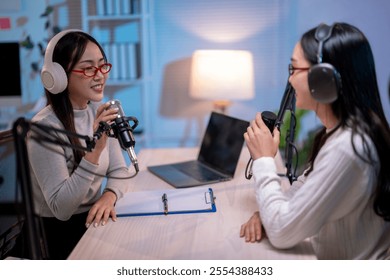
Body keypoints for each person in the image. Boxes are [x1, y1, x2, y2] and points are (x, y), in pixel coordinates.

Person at [240, 22, 390, 259]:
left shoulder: (349, 148)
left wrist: (264, 160)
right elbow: (306, 190)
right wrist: (271, 211)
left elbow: (281, 231)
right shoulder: (344, 132)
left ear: (323, 79)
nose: (289, 81)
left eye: (294, 69)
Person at [25, 30, 132, 259]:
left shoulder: (98, 111)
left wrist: (109, 195)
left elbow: (119, 170)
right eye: (88, 68)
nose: (100, 75)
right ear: (59, 76)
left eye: (103, 66)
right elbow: (62, 210)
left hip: (93, 222)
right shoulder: (43, 129)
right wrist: (93, 152)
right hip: (55, 236)